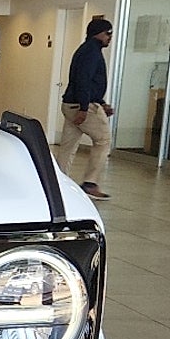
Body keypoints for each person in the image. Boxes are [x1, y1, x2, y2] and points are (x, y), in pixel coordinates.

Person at [54, 16, 115, 201]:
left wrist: (101, 102)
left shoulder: (86, 50)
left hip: (71, 104)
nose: (110, 38)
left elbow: (88, 82)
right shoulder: (91, 52)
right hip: (82, 106)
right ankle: (90, 183)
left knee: (68, 146)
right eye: (108, 33)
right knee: (103, 140)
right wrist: (83, 107)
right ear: (99, 33)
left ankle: (57, 182)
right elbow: (83, 81)